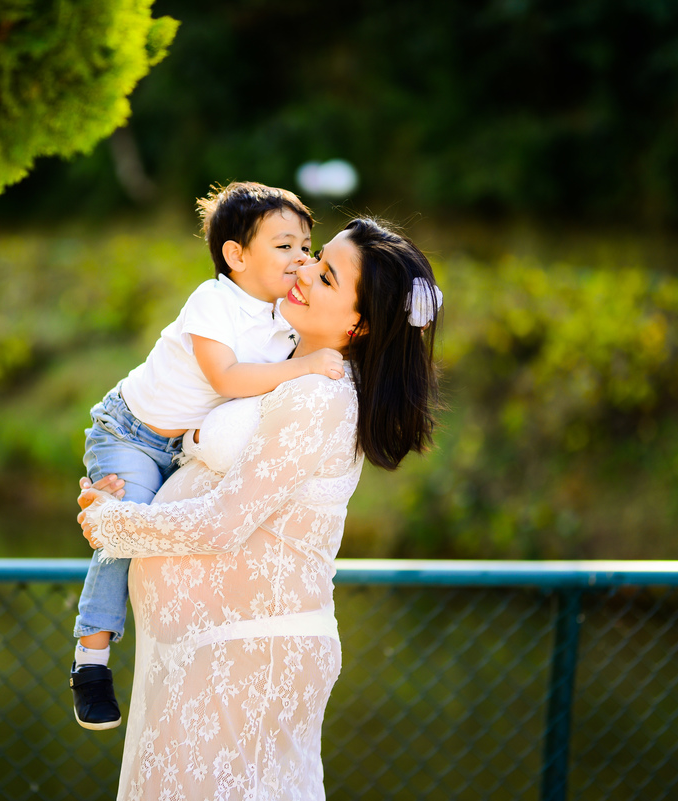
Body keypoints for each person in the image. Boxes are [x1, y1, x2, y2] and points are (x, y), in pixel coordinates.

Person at [77, 217, 443, 799]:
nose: (301, 270)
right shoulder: (272, 357)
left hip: (247, 653)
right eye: (313, 256)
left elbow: (225, 521)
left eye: (324, 276)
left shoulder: (320, 396)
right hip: (202, 648)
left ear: (360, 323)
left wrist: (111, 523)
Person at [70, 182, 347, 730]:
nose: (302, 260)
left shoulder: (282, 322)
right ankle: (91, 661)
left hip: (177, 447)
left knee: (161, 531)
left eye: (306, 247)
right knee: (126, 530)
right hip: (130, 432)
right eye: (285, 246)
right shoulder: (213, 301)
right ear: (236, 255)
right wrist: (305, 367)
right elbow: (227, 378)